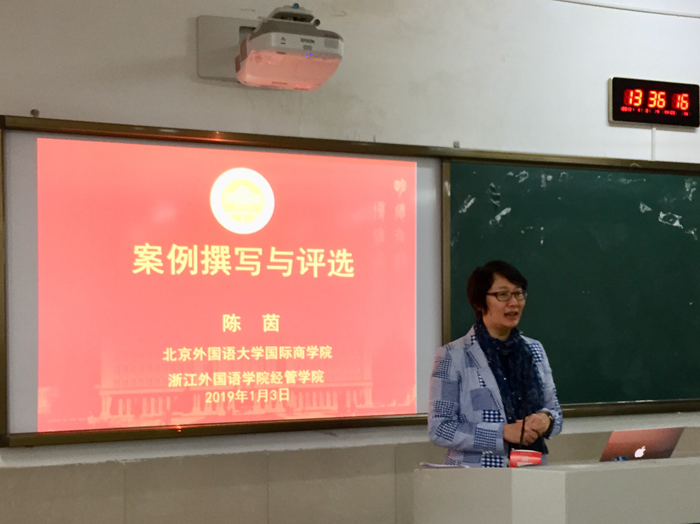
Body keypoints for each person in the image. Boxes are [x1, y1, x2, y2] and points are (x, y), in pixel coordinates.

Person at [428, 260, 562, 467]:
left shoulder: (534, 350)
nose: (514, 302)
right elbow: (440, 428)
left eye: (518, 293)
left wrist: (547, 419)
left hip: (532, 473)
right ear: (479, 302)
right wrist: (502, 433)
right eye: (503, 294)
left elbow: (555, 412)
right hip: (477, 477)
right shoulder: (453, 356)